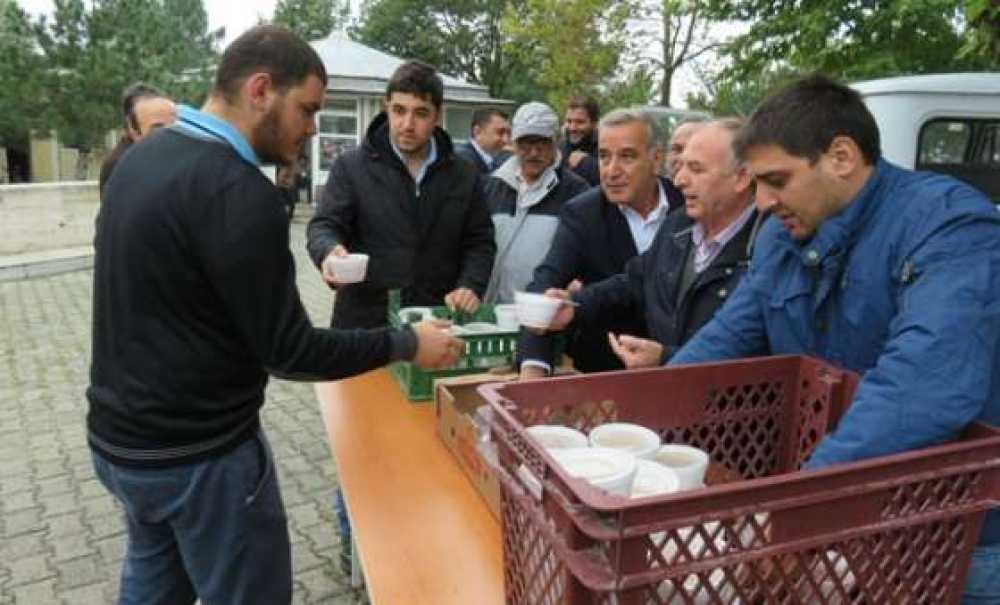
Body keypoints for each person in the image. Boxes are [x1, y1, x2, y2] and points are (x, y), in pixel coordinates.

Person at [88, 26, 464, 605]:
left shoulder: (140, 161)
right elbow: (291, 351)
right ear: (261, 89)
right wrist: (405, 344)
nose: (313, 128)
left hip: (121, 446)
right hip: (201, 460)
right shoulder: (241, 194)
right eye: (308, 109)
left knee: (153, 581)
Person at [668, 75, 1000, 602]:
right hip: (843, 522)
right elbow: (726, 337)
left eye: (776, 180)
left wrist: (795, 511)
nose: (762, 202)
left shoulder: (948, 226)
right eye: (756, 182)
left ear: (841, 156)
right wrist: (642, 420)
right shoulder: (783, 233)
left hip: (956, 541)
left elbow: (924, 385)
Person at [541, 119, 758, 366]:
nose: (679, 180)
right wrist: (575, 306)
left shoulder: (766, 248)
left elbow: (755, 353)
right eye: (682, 166)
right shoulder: (678, 225)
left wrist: (666, 359)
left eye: (696, 169)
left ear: (741, 178)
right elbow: (636, 280)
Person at [306, 59, 496, 329]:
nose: (407, 124)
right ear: (387, 108)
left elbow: (480, 241)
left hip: (437, 323)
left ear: (438, 115)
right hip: (364, 327)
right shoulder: (351, 167)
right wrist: (328, 251)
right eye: (399, 110)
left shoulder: (464, 174)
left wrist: (470, 285)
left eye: (420, 113)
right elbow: (323, 226)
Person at [518, 107, 684, 378]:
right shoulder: (583, 214)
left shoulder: (687, 207)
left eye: (627, 156)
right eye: (604, 157)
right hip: (604, 378)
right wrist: (533, 368)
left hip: (682, 370)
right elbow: (545, 286)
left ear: (656, 159)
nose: (611, 171)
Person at [482, 102, 588, 303]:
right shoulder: (491, 187)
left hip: (545, 316)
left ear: (556, 141)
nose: (533, 152)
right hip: (493, 316)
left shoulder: (576, 192)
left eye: (541, 143)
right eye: (525, 143)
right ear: (513, 143)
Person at [98, 83, 177, 195]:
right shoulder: (121, 167)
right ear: (132, 128)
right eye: (158, 129)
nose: (170, 135)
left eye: (174, 127)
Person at [455, 107, 511, 174]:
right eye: (500, 132)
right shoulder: (463, 162)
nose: (506, 139)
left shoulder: (494, 162)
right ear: (477, 132)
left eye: (508, 133)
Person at [561, 95, 601, 186]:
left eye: (580, 122)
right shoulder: (558, 150)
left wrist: (587, 163)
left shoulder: (606, 148)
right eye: (569, 121)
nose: (572, 128)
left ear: (594, 124)